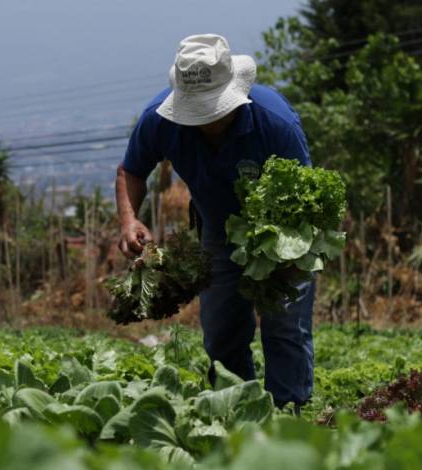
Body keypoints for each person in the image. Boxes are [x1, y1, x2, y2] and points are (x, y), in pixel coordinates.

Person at [115, 34, 314, 412]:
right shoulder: (160, 119)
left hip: (286, 237)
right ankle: (239, 411)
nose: (205, 119)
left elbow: (307, 195)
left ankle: (291, 415)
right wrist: (129, 219)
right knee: (222, 335)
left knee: (284, 328)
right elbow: (131, 171)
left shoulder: (275, 121)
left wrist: (289, 254)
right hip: (219, 236)